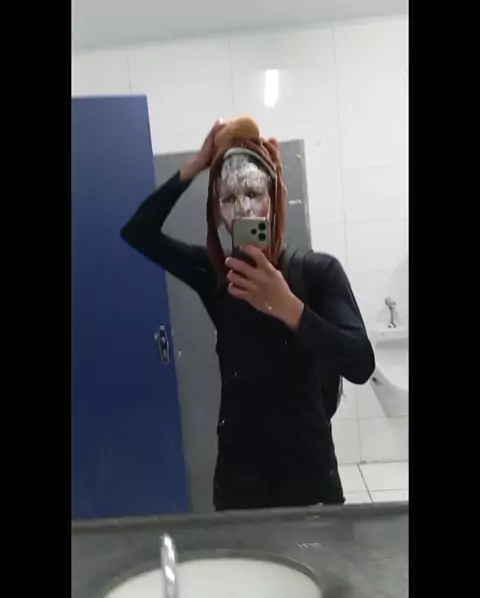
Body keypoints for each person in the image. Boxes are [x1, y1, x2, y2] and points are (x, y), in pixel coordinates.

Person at [121, 118, 375, 511]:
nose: (242, 208)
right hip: (238, 482)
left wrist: (289, 307)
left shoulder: (317, 272)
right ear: (217, 210)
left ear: (273, 200)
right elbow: (138, 232)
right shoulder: (216, 276)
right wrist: (196, 165)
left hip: (309, 477)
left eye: (254, 193)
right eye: (228, 198)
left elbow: (360, 363)